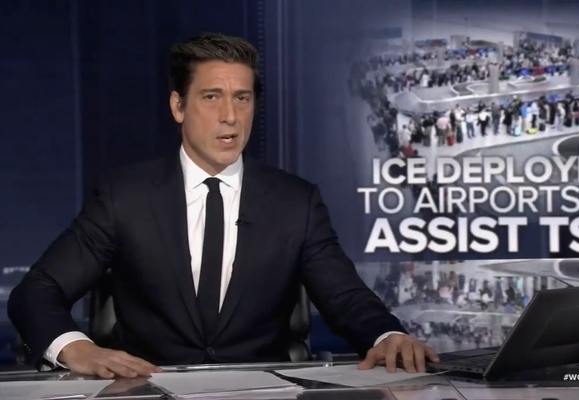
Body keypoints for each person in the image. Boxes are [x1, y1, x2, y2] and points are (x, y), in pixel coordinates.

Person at [8, 33, 438, 379]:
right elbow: (38, 290)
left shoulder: (295, 202)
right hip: (149, 389)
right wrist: (76, 348)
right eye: (211, 97)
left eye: (242, 98)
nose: (230, 116)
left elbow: (345, 297)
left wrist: (386, 335)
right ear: (178, 106)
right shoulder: (125, 195)